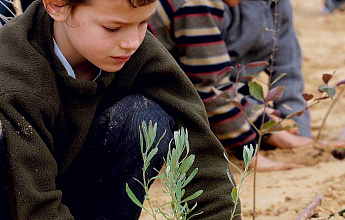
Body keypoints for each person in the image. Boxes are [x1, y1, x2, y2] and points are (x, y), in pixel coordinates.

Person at [0, 0, 241, 219]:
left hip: (77, 190)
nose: (132, 42)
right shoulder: (15, 75)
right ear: (57, 6)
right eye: (112, 29)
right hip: (19, 200)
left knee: (145, 119)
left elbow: (199, 144)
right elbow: (34, 203)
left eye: (144, 22)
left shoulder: (139, 51)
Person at [149, 0, 313, 171]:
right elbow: (209, 89)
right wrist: (249, 152)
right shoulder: (199, 4)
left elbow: (210, 81)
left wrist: (259, 118)